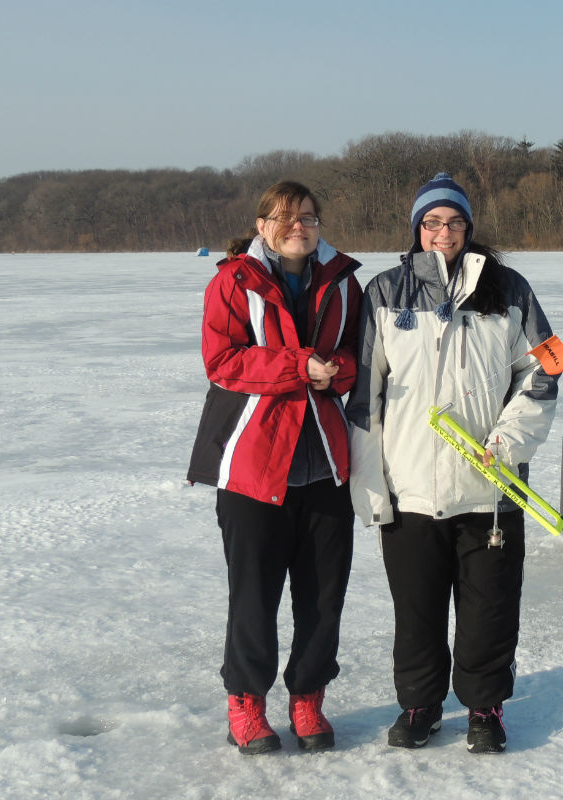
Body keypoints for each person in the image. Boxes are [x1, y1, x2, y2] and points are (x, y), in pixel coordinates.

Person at [346, 173, 558, 754]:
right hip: (411, 490)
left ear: (469, 228)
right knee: (416, 612)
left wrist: (508, 445)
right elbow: (366, 397)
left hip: (490, 490)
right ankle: (420, 705)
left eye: (455, 222)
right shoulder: (385, 293)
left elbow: (543, 372)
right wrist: (372, 490)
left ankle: (485, 708)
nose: (444, 233)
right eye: (432, 223)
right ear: (417, 230)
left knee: (489, 610)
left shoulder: (509, 289)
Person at [187, 181, 363, 755]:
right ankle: (246, 702)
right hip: (255, 469)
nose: (298, 227)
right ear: (262, 225)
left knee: (323, 596)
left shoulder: (341, 281)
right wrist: (298, 366)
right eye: (285, 218)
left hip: (325, 467)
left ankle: (308, 698)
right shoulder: (233, 280)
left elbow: (359, 357)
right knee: (254, 596)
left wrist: (335, 369)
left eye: (308, 217)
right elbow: (222, 361)